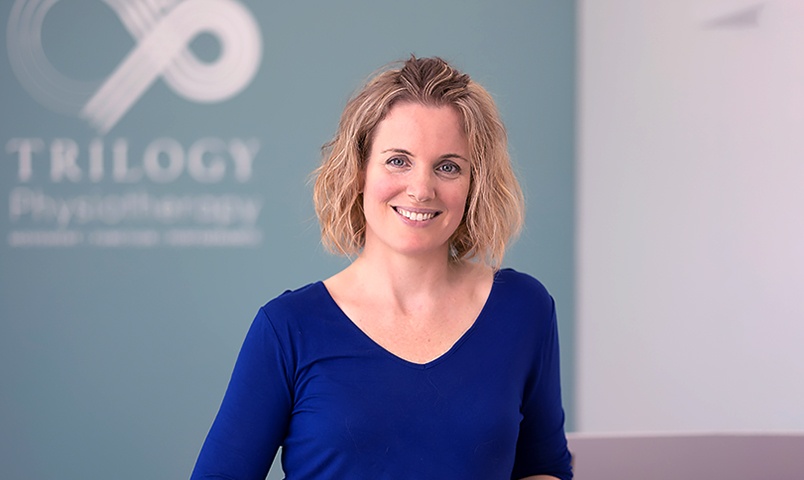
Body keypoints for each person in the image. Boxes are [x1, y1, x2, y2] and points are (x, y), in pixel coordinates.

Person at [191, 56, 573, 480]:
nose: (421, 188)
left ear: (473, 183)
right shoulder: (287, 329)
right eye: (398, 160)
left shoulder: (523, 309)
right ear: (359, 171)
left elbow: (543, 469)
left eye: (448, 167)